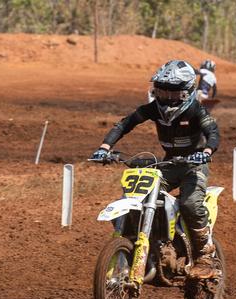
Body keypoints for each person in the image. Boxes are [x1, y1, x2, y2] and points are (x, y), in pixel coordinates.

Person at [90, 60, 220, 279]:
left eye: (173, 94)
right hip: (167, 165)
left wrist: (206, 151)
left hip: (193, 165)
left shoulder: (197, 110)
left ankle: (204, 256)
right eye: (162, 91)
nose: (167, 98)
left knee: (190, 204)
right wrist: (104, 148)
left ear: (187, 91)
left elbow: (213, 132)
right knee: (139, 195)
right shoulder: (153, 109)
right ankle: (143, 242)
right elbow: (125, 123)